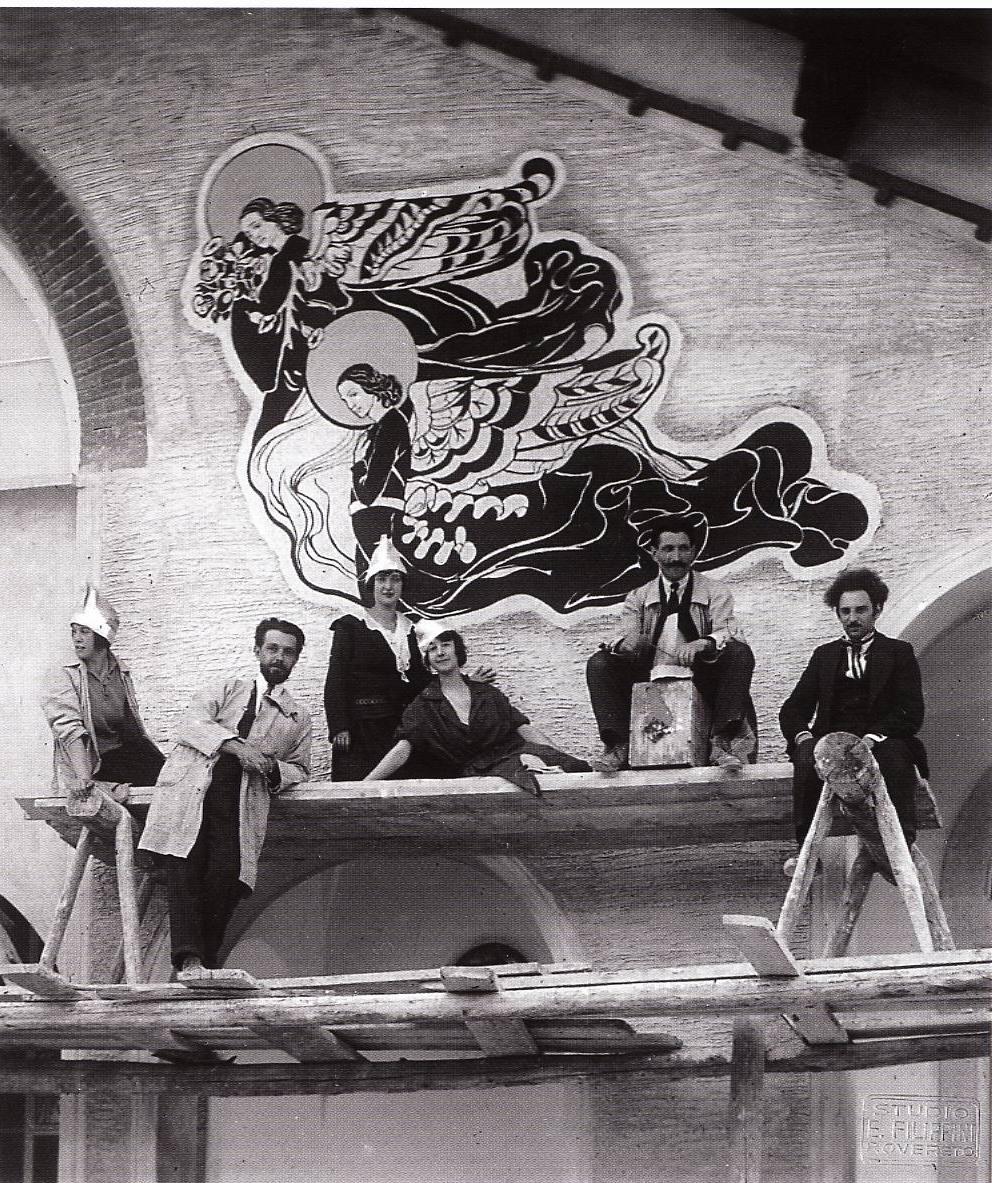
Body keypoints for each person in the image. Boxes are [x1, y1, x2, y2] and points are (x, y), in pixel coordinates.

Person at [138, 618, 312, 978]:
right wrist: (237, 748)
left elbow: (300, 768)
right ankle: (190, 960)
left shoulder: (297, 717)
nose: (279, 657)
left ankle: (207, 962)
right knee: (185, 867)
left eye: (288, 652)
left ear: (296, 660)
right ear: (257, 651)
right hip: (194, 791)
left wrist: (272, 767)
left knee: (228, 875)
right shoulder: (227, 688)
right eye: (272, 649)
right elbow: (190, 724)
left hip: (241, 801)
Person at [779, 566, 926, 875]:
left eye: (861, 610)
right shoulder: (824, 656)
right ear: (838, 614)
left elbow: (911, 712)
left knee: (896, 757)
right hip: (831, 741)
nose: (852, 618)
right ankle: (806, 852)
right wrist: (804, 737)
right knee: (806, 755)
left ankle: (901, 849)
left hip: (880, 739)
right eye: (845, 611)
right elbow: (792, 709)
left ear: (877, 610)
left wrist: (872, 738)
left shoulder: (898, 652)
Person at [585, 516, 757, 772]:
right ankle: (617, 746)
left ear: (694, 552)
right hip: (651, 680)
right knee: (599, 663)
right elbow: (620, 637)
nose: (676, 557)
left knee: (740, 652)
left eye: (683, 549)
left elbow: (729, 633)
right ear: (654, 553)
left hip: (702, 679)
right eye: (667, 549)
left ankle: (722, 742)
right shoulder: (638, 597)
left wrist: (703, 643)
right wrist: (626, 644)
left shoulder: (716, 591)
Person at [365, 622, 589, 792]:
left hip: (517, 757)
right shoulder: (423, 707)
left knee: (544, 763)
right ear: (428, 660)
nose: (440, 652)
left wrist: (560, 755)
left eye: (446, 645)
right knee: (526, 767)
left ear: (457, 650)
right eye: (432, 649)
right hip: (476, 778)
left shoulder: (487, 693)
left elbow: (523, 728)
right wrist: (365, 785)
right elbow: (403, 749)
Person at [324, 535, 431, 781]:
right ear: (371, 583)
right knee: (358, 792)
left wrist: (464, 682)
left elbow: (422, 679)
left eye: (395, 579)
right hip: (361, 729)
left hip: (401, 731)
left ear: (402, 585)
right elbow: (336, 679)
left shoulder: (412, 629)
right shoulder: (351, 626)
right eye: (382, 579)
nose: (388, 586)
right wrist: (339, 726)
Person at [41, 586, 164, 798]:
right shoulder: (63, 674)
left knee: (174, 783)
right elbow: (70, 730)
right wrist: (84, 779)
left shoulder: (120, 672)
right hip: (90, 764)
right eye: (74, 631)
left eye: (84, 631)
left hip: (121, 758)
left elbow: (132, 730)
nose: (77, 638)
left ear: (101, 636)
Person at [338, 363, 413, 580]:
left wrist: (357, 466)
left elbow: (369, 493)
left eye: (354, 394)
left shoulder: (390, 425)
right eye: (345, 400)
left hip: (379, 518)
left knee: (379, 587)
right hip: (373, 520)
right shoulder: (378, 428)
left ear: (373, 388)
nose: (351, 405)